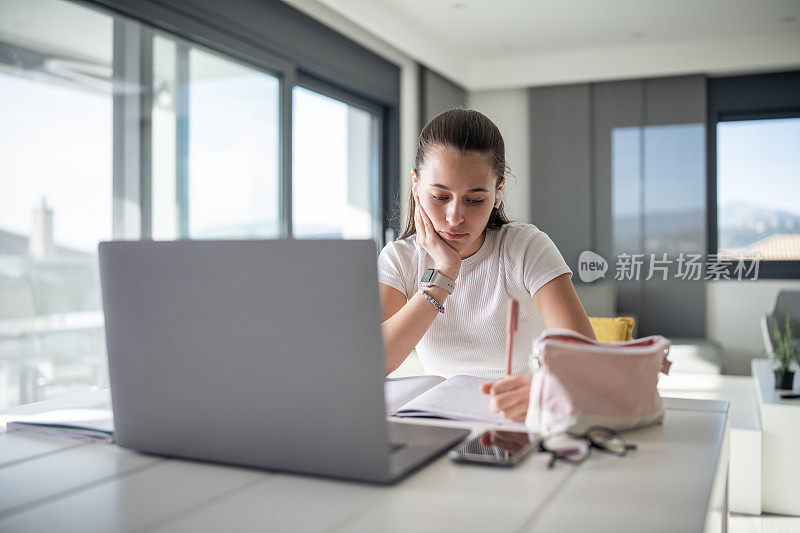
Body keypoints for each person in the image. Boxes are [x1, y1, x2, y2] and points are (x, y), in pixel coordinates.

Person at [378, 108, 596, 422]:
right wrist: (443, 273)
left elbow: (588, 360)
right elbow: (372, 364)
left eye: (475, 199)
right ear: (416, 183)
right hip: (439, 423)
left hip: (520, 421)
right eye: (440, 196)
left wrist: (540, 395)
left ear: (498, 192)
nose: (454, 217)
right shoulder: (399, 259)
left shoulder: (525, 248)